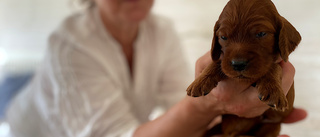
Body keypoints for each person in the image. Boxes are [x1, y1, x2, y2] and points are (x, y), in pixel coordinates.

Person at [5, 0, 306, 137]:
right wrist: (209, 104)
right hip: (34, 122)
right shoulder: (69, 46)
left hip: (108, 102)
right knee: (10, 87)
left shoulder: (161, 30)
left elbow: (175, 104)